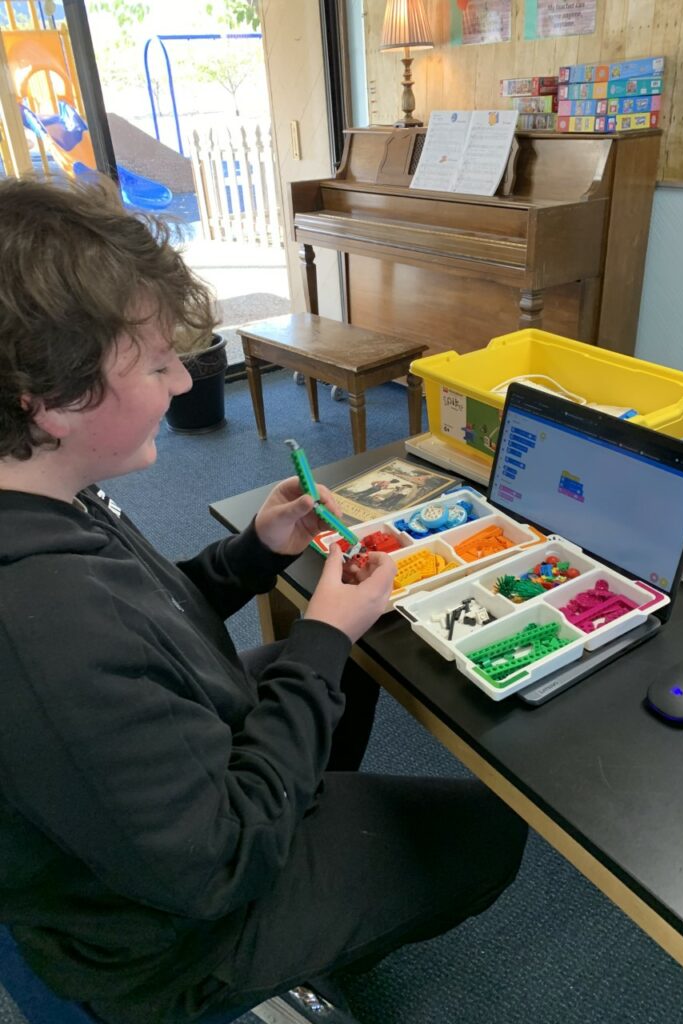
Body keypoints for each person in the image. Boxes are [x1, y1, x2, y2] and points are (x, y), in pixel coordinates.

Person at [0, 176, 528, 1024]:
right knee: (490, 833)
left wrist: (252, 554)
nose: (180, 383)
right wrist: (322, 635)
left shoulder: (45, 499)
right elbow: (223, 863)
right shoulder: (39, 631)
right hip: (171, 939)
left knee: (325, 667)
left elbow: (149, 617)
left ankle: (307, 812)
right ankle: (298, 946)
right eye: (159, 363)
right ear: (55, 401)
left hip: (164, 810)